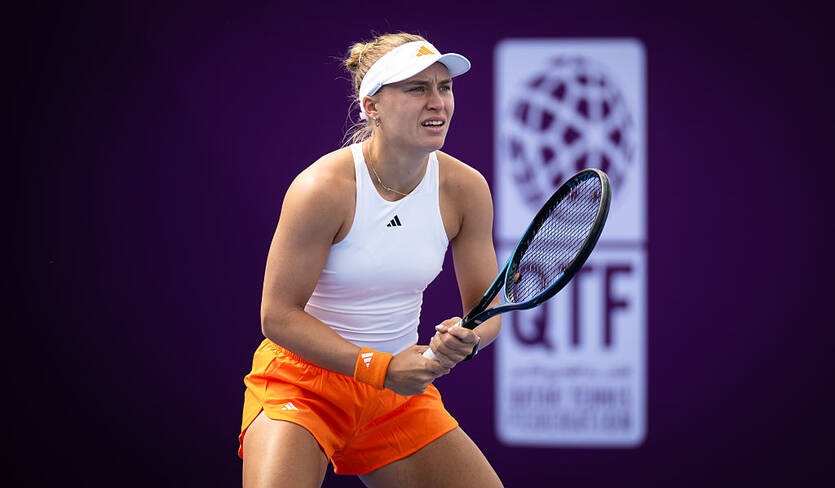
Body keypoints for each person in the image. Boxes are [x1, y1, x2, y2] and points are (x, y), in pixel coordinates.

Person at [238, 32, 504, 487]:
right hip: (304, 385)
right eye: (417, 88)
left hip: (397, 393)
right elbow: (277, 316)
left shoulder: (466, 188)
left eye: (444, 87)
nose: (437, 102)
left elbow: (487, 308)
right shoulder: (322, 188)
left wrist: (468, 338)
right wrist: (380, 369)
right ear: (371, 106)